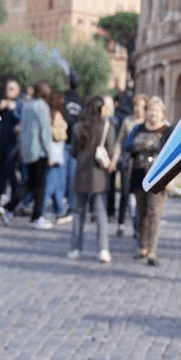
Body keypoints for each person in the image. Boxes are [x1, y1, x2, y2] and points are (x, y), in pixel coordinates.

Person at [68, 95, 116, 263]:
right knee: (100, 213)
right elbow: (110, 151)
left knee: (78, 213)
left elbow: (73, 152)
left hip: (81, 173)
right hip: (99, 176)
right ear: (100, 110)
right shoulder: (107, 128)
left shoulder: (77, 127)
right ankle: (103, 249)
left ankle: (75, 247)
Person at [0, 80, 53, 229]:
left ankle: (9, 208)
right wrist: (49, 153)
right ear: (44, 93)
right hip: (40, 151)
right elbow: (45, 132)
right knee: (40, 184)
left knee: (29, 183)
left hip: (27, 150)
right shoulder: (43, 107)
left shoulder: (27, 106)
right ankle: (37, 216)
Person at [127, 96, 172, 265]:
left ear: (163, 114)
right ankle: (142, 246)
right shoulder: (138, 129)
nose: (153, 113)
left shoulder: (167, 130)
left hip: (158, 178)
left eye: (157, 110)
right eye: (151, 110)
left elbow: (173, 157)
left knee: (154, 213)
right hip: (139, 175)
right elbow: (128, 148)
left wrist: (169, 179)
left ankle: (152, 251)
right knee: (141, 213)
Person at [113, 93, 146, 237]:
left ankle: (137, 226)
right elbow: (120, 142)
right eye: (136, 107)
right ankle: (120, 223)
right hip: (127, 162)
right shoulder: (128, 122)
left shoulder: (147, 123)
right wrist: (115, 160)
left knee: (138, 196)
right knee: (125, 193)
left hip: (142, 164)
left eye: (141, 108)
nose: (138, 111)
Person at [0, 80, 22, 216]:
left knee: (11, 173)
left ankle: (14, 203)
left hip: (13, 144)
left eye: (11, 88)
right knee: (0, 173)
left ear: (17, 91)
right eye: (7, 88)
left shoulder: (20, 104)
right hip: (2, 142)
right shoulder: (3, 103)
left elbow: (21, 120)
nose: (8, 90)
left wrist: (13, 109)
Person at [44, 91, 71, 225]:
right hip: (56, 152)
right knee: (53, 183)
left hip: (52, 152)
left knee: (53, 183)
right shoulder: (57, 115)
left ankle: (59, 209)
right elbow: (59, 135)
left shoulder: (48, 114)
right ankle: (45, 210)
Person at [63, 71, 83, 226]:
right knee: (72, 176)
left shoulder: (62, 97)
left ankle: (61, 205)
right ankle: (71, 205)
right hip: (75, 142)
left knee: (60, 176)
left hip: (62, 141)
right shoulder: (81, 100)